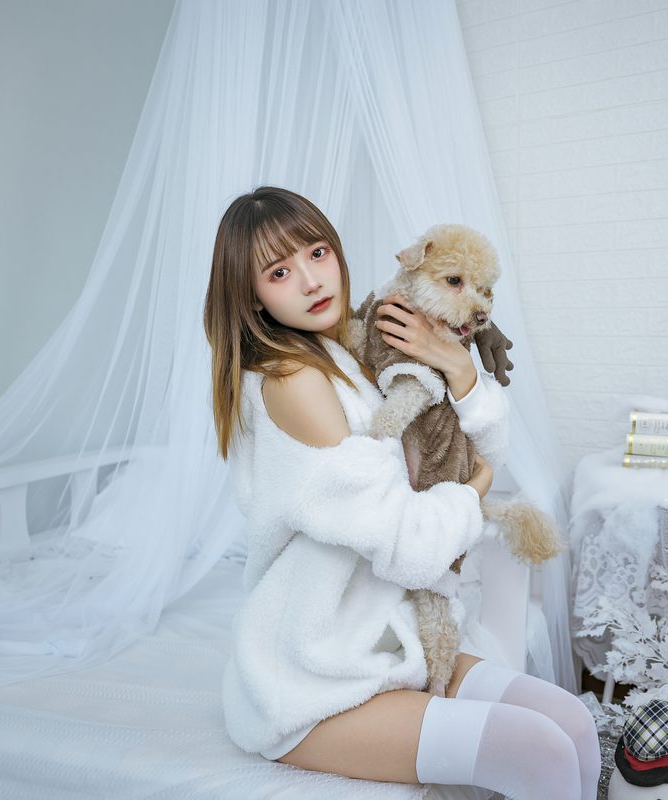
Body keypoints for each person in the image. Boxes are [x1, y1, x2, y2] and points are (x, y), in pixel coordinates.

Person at [204, 186, 600, 800]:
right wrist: (475, 492)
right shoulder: (292, 380)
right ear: (252, 296)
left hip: (391, 642)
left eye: (317, 253)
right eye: (279, 272)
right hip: (314, 677)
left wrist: (460, 370)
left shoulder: (355, 346)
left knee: (573, 723)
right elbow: (412, 541)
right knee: (541, 750)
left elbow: (468, 452)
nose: (310, 280)